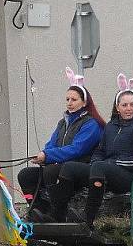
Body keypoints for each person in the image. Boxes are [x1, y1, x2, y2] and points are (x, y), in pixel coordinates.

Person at [45, 72, 133, 226]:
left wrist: (111, 164)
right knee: (69, 168)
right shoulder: (111, 126)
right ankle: (58, 214)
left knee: (100, 167)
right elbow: (99, 151)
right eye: (124, 105)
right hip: (107, 171)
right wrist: (97, 162)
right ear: (117, 107)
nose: (128, 108)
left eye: (132, 105)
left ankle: (88, 218)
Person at [17, 67, 104, 218]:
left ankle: (57, 212)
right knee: (25, 175)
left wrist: (48, 156)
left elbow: (77, 149)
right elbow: (52, 144)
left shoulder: (91, 124)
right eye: (67, 99)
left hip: (81, 168)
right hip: (61, 166)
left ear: (84, 103)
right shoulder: (63, 123)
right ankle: (38, 208)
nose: (69, 103)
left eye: (74, 100)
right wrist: (43, 155)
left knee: (51, 171)